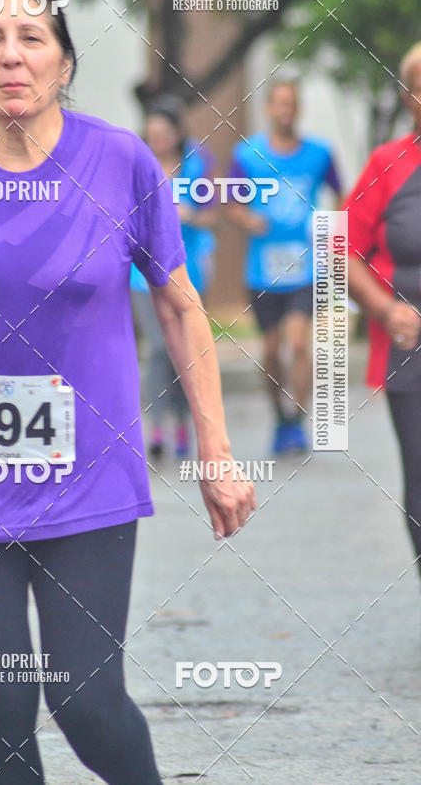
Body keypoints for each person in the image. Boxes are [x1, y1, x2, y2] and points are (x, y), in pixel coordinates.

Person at [0, 0, 256, 785]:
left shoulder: (120, 161)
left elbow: (180, 308)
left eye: (33, 38)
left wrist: (215, 449)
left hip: (90, 473)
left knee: (86, 698)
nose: (12, 55)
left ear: (66, 64)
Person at [225, 80, 342, 454]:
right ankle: (280, 415)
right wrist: (248, 220)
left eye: (291, 103)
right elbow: (231, 202)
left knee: (298, 342)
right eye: (279, 104)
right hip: (263, 270)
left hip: (307, 267)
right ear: (269, 109)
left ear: (299, 108)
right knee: (273, 349)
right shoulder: (248, 154)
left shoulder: (320, 153)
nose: (285, 110)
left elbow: (341, 193)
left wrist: (328, 224)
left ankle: (297, 419)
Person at [344, 40, 421, 584]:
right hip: (410, 350)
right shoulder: (388, 164)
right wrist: (386, 309)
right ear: (409, 97)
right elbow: (338, 248)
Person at [130, 96, 219, 458]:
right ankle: (156, 426)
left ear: (177, 133)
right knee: (157, 350)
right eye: (153, 135)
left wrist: (190, 215)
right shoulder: (135, 164)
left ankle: (184, 423)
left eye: (165, 135)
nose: (159, 142)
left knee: (185, 351)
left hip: (188, 271)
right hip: (142, 275)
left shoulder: (198, 164)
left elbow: (214, 216)